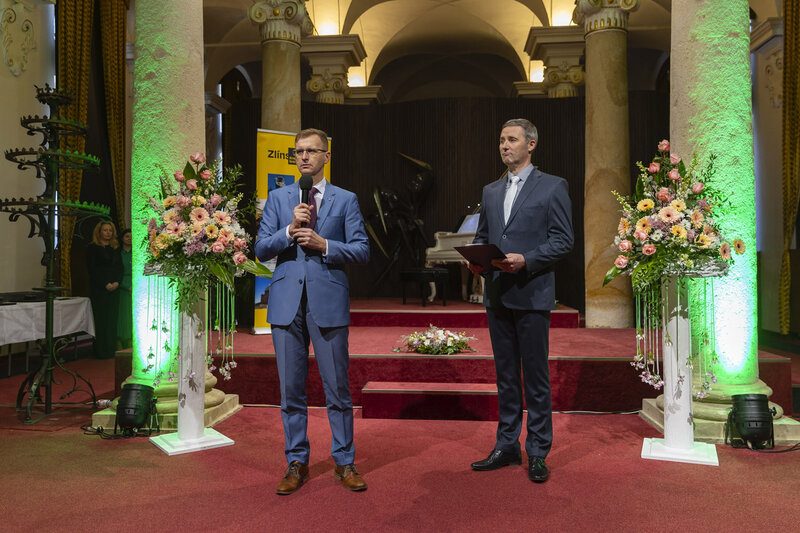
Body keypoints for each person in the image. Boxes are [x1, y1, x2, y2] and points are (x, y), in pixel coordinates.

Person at [255, 128, 370, 495]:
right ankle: (296, 462)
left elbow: (362, 250)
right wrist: (288, 230)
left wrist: (325, 244)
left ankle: (344, 461)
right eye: (298, 151)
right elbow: (260, 248)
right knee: (291, 390)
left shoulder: (346, 199)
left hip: (328, 302)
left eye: (311, 151)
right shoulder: (278, 199)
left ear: (326, 156)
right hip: (286, 304)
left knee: (337, 388)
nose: (304, 157)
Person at [468, 118, 574, 483]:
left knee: (536, 378)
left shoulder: (553, 186)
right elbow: (483, 236)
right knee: (506, 376)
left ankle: (538, 450)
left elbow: (563, 240)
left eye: (511, 139)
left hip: (531, 293)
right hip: (498, 293)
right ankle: (507, 445)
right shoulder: (490, 191)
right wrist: (476, 260)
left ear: (531, 144)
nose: (504, 145)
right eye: (501, 140)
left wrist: (526, 259)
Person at [86, 220, 123, 359]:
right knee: (100, 320)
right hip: (99, 289)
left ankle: (111, 350)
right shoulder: (92, 248)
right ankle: (100, 351)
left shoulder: (116, 247)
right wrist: (105, 284)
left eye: (110, 230)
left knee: (112, 320)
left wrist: (117, 282)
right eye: (105, 230)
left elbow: (120, 267)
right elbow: (92, 269)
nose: (108, 233)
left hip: (115, 288)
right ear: (99, 232)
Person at [117, 228, 133, 349]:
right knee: (122, 316)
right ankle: (120, 340)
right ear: (122, 238)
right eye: (127, 236)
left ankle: (132, 339)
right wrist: (126, 285)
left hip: (136, 285)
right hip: (121, 287)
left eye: (131, 236)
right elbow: (115, 272)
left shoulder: (137, 253)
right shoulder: (117, 253)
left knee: (132, 315)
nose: (129, 238)